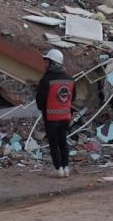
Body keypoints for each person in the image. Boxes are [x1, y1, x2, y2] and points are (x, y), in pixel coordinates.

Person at [36, 49, 75, 178]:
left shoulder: (46, 80)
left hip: (51, 117)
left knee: (54, 143)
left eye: (46, 61)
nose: (45, 64)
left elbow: (40, 102)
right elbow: (72, 97)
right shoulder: (70, 79)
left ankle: (58, 169)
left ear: (52, 63)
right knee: (63, 142)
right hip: (65, 117)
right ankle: (66, 167)